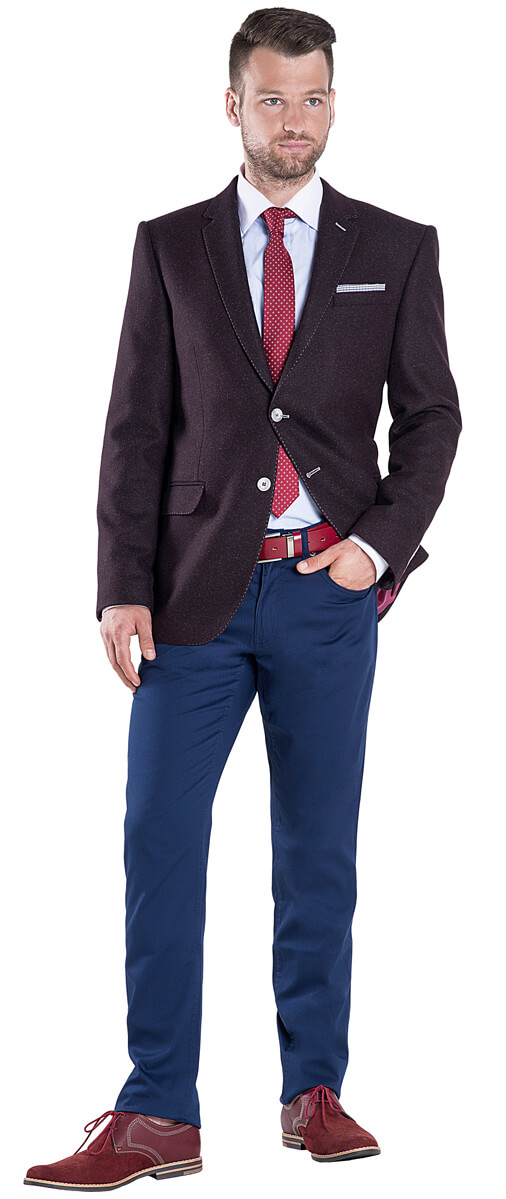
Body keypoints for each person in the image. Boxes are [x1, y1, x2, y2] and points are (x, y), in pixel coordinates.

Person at [24, 6, 462, 1189]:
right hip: (191, 599)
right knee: (158, 838)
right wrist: (120, 585)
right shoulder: (170, 245)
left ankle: (313, 1088)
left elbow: (431, 417)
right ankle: (157, 1109)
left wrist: (376, 548)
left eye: (312, 98)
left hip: (327, 593)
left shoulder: (395, 244)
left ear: (333, 103)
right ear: (232, 104)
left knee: (316, 848)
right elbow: (134, 426)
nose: (294, 120)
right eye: (272, 98)